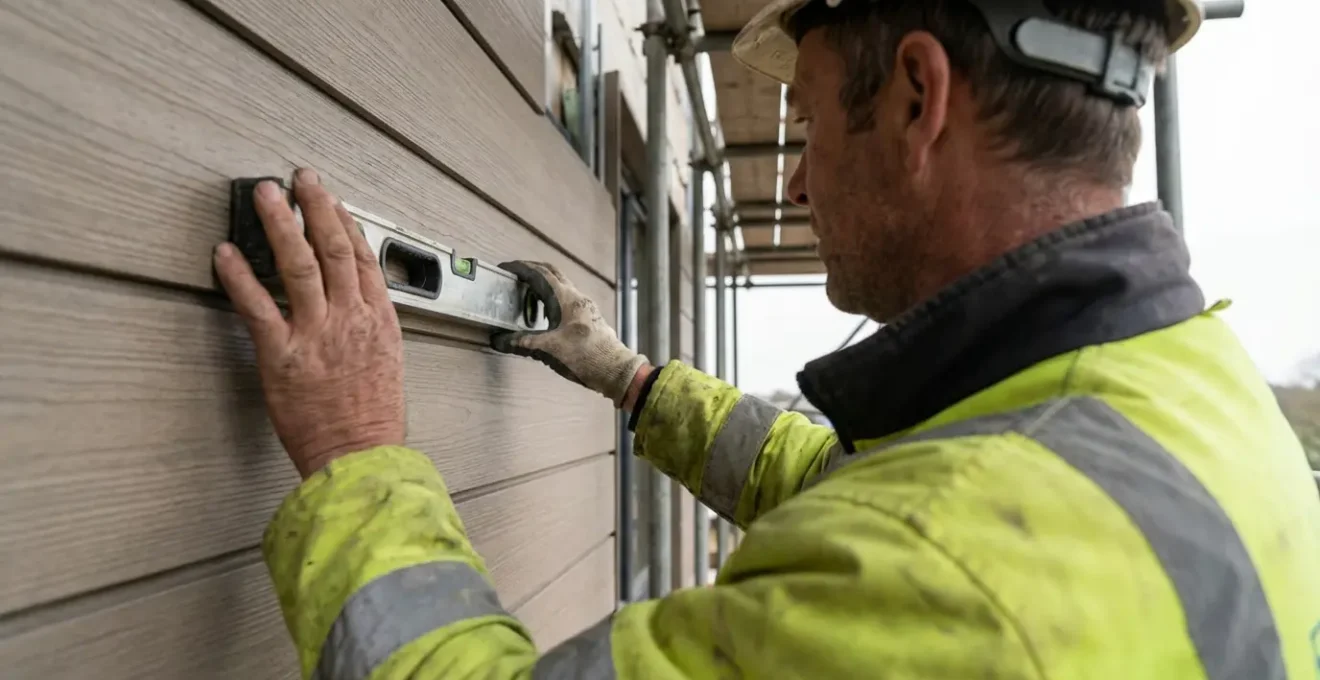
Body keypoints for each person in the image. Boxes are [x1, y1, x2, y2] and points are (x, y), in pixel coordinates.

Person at [213, 1, 1320, 678]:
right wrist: (631, 377)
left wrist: (358, 453)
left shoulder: (949, 577)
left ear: (917, 97)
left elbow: (911, 533)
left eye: (812, 120)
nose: (795, 176)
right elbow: (846, 484)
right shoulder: (1188, 390)